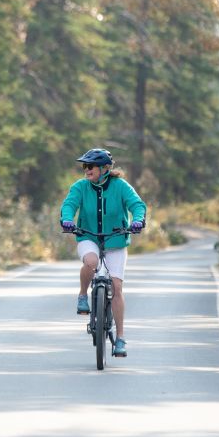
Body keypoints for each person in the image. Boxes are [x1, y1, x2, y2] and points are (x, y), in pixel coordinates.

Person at [59, 148, 146, 358]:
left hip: (115, 239)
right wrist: (67, 219)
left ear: (105, 169)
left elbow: (137, 205)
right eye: (85, 166)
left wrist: (137, 220)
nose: (86, 170)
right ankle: (82, 295)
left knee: (116, 287)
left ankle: (121, 338)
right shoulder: (80, 187)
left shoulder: (120, 186)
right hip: (88, 236)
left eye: (91, 166)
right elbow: (69, 205)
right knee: (91, 261)